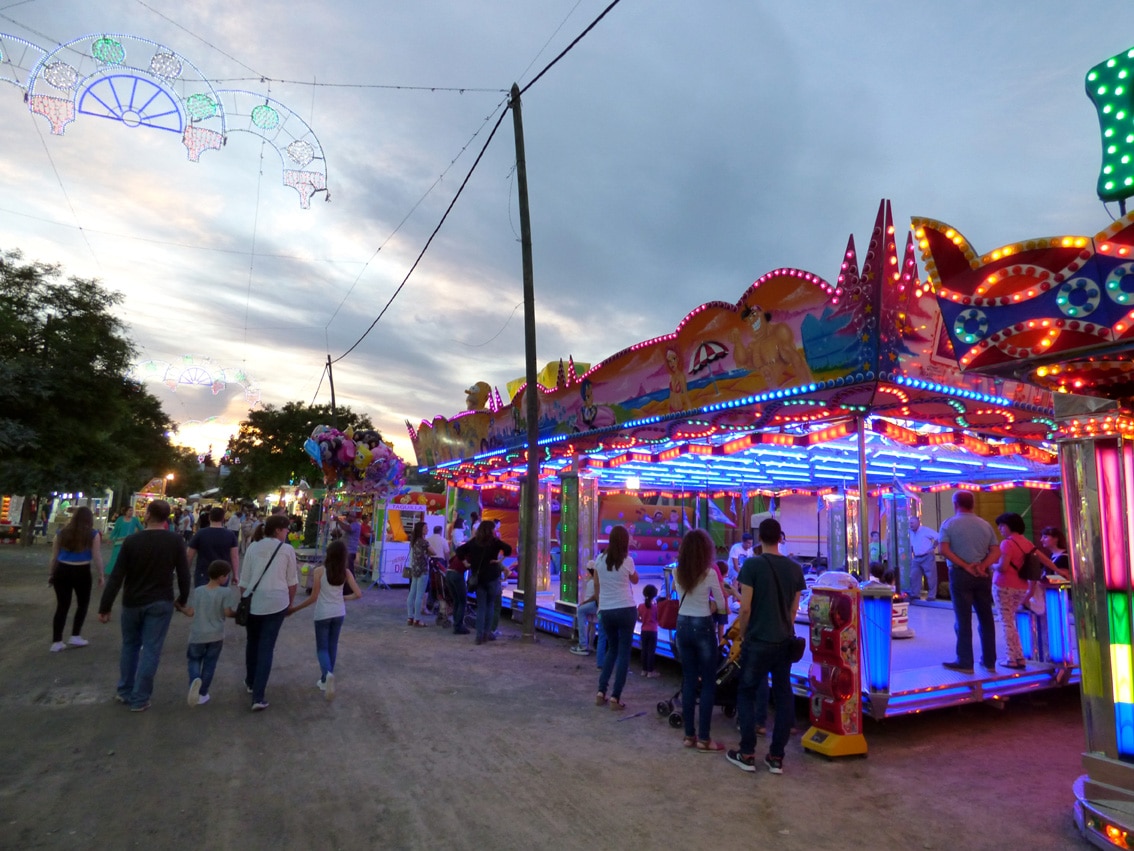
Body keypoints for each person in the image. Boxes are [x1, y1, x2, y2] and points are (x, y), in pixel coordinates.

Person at [728, 517, 805, 775]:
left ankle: (747, 753)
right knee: (783, 696)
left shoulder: (752, 565)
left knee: (747, 692)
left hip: (758, 640)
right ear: (780, 538)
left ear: (759, 538)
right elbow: (795, 609)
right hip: (783, 641)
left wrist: (744, 632)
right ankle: (776, 757)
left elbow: (746, 607)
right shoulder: (795, 569)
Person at [97, 500, 190, 712]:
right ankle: (140, 698)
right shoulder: (174, 541)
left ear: (147, 515)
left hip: (133, 601)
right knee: (151, 649)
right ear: (167, 518)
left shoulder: (132, 541)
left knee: (130, 646)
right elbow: (184, 574)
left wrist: (105, 606)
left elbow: (117, 576)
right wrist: (182, 599)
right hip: (160, 600)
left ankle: (125, 690)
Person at [675, 529, 730, 751]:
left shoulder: (678, 572)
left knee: (689, 680)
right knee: (707, 683)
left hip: (682, 625)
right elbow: (722, 603)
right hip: (703, 626)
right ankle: (705, 738)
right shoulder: (709, 573)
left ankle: (689, 735)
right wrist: (713, 607)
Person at [287, 539, 362, 701]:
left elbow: (314, 597)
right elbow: (358, 594)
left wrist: (295, 609)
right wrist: (343, 598)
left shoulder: (319, 571)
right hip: (339, 612)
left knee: (322, 648)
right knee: (332, 645)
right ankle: (326, 677)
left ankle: (326, 675)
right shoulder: (346, 572)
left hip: (322, 613)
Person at [239, 514, 299, 712]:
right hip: (276, 602)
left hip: (254, 601)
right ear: (277, 530)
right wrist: (289, 604)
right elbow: (292, 582)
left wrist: (245, 600)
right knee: (266, 647)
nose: (288, 532)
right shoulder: (287, 550)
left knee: (253, 642)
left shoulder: (253, 547)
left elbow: (244, 580)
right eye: (286, 529)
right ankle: (259, 695)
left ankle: (250, 681)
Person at [937, 490, 1000, 674]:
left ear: (956, 504)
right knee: (986, 618)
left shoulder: (949, 524)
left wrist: (965, 566)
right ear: (972, 504)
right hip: (982, 576)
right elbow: (996, 551)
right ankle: (989, 661)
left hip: (960, 575)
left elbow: (944, 550)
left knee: (963, 619)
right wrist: (982, 566)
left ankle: (965, 661)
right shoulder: (985, 525)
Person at [992, 513, 1057, 670]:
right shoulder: (1027, 542)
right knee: (1011, 622)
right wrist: (1059, 570)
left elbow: (1003, 567)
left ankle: (1011, 658)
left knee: (1006, 622)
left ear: (1009, 525)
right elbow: (1044, 559)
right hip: (1021, 587)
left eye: (1001, 525)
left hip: (1003, 585)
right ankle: (1019, 656)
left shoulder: (1007, 544)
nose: (1000, 529)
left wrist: (991, 565)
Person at [594, 525, 639, 710]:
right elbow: (635, 580)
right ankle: (615, 697)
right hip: (626, 609)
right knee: (623, 653)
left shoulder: (599, 559)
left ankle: (600, 691)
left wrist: (600, 606)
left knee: (611, 650)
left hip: (607, 610)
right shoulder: (627, 560)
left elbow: (596, 584)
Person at [181, 559, 237, 707]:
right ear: (221, 577)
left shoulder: (199, 591)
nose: (227, 578)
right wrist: (238, 614)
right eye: (226, 576)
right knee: (210, 664)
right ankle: (202, 693)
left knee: (193, 660)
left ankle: (194, 680)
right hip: (216, 635)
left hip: (197, 634)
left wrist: (180, 607)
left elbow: (191, 612)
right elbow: (227, 612)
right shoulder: (225, 592)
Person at [50, 506, 105, 652]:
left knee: (62, 605)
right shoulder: (93, 534)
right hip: (82, 571)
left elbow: (54, 556)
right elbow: (97, 556)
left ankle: (57, 641)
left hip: (62, 570)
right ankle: (75, 635)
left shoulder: (61, 533)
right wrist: (101, 574)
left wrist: (51, 573)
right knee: (82, 604)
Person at [456, 520, 512, 645]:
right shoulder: (494, 541)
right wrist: (499, 560)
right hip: (492, 576)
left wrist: (466, 563)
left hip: (479, 578)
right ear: (491, 530)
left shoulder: (474, 541)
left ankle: (479, 635)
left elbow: (459, 550)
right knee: (490, 605)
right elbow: (508, 549)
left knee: (481, 607)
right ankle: (487, 633)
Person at [186, 506, 240, 587]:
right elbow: (234, 556)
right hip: (222, 574)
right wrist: (235, 575)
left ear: (209, 518)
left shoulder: (200, 533)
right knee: (220, 598)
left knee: (202, 597)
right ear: (223, 519)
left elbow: (189, 555)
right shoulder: (230, 535)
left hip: (203, 572)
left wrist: (186, 572)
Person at [406, 521, 437, 627]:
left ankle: (410, 617)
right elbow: (434, 552)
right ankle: (417, 619)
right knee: (420, 595)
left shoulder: (414, 541)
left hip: (414, 568)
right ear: (421, 530)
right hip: (423, 569)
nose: (427, 529)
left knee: (412, 593)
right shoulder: (424, 542)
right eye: (426, 528)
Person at [908, 514, 939, 601]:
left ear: (918, 523)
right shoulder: (910, 532)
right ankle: (915, 594)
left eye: (913, 523)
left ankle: (932, 596)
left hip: (927, 556)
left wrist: (933, 548)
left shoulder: (926, 530)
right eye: (910, 523)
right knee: (914, 576)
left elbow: (938, 537)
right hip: (916, 557)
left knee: (931, 577)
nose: (911, 525)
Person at [105, 506, 143, 577]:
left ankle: (128, 572)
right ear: (125, 512)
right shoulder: (120, 519)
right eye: (129, 511)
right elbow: (115, 530)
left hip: (130, 541)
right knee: (116, 556)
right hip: (119, 541)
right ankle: (112, 571)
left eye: (132, 511)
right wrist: (110, 539)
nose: (131, 512)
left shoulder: (135, 520)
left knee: (129, 557)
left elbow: (141, 528)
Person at [571, 564, 597, 655]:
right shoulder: (592, 581)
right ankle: (589, 645)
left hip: (593, 604)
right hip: (593, 605)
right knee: (592, 624)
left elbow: (595, 596)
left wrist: (584, 603)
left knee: (580, 611)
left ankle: (583, 644)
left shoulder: (594, 581)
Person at [637, 583, 660, 678]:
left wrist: (643, 620)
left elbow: (638, 618)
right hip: (653, 631)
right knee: (651, 651)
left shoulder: (641, 606)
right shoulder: (656, 607)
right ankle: (650, 671)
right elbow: (659, 618)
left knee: (644, 650)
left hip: (644, 630)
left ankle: (644, 670)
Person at [336, 509, 363, 577]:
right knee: (346, 568)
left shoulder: (355, 525)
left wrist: (338, 521)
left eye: (348, 516)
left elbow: (348, 528)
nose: (347, 518)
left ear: (353, 517)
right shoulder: (350, 524)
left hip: (350, 551)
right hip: (346, 550)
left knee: (349, 569)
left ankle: (351, 583)